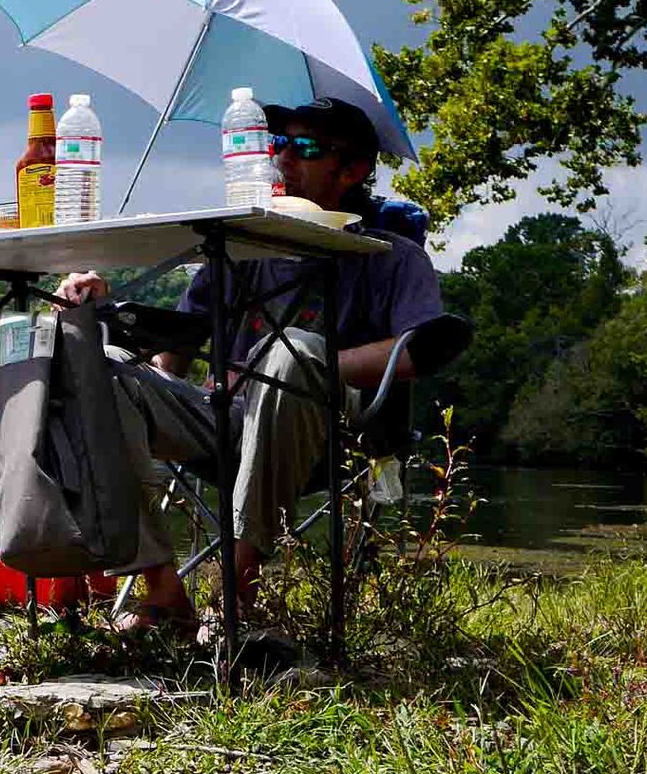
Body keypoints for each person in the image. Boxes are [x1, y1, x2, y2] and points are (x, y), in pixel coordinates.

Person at [57, 96, 443, 636]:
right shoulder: (237, 247)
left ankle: (238, 590)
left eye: (306, 148)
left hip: (323, 430)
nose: (283, 158)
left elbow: (421, 348)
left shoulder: (391, 255)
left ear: (353, 169)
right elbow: (173, 353)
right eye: (279, 142)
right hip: (221, 418)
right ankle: (163, 590)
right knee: (103, 367)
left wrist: (295, 363)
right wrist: (106, 307)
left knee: (293, 355)